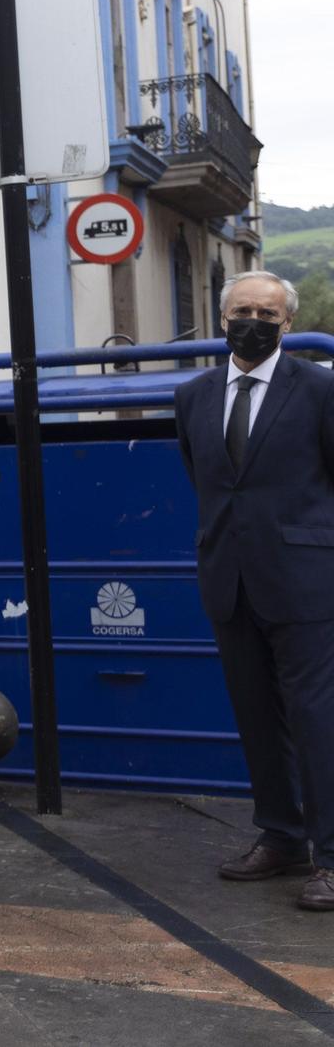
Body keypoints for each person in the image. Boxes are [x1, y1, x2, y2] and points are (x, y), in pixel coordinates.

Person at [174, 270, 334, 912]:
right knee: (255, 718)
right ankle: (281, 836)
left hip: (307, 584)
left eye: (268, 312)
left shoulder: (321, 390)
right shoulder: (192, 395)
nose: (254, 320)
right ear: (222, 318)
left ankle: (331, 855)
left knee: (317, 719)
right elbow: (208, 480)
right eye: (243, 309)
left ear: (287, 323)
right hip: (229, 580)